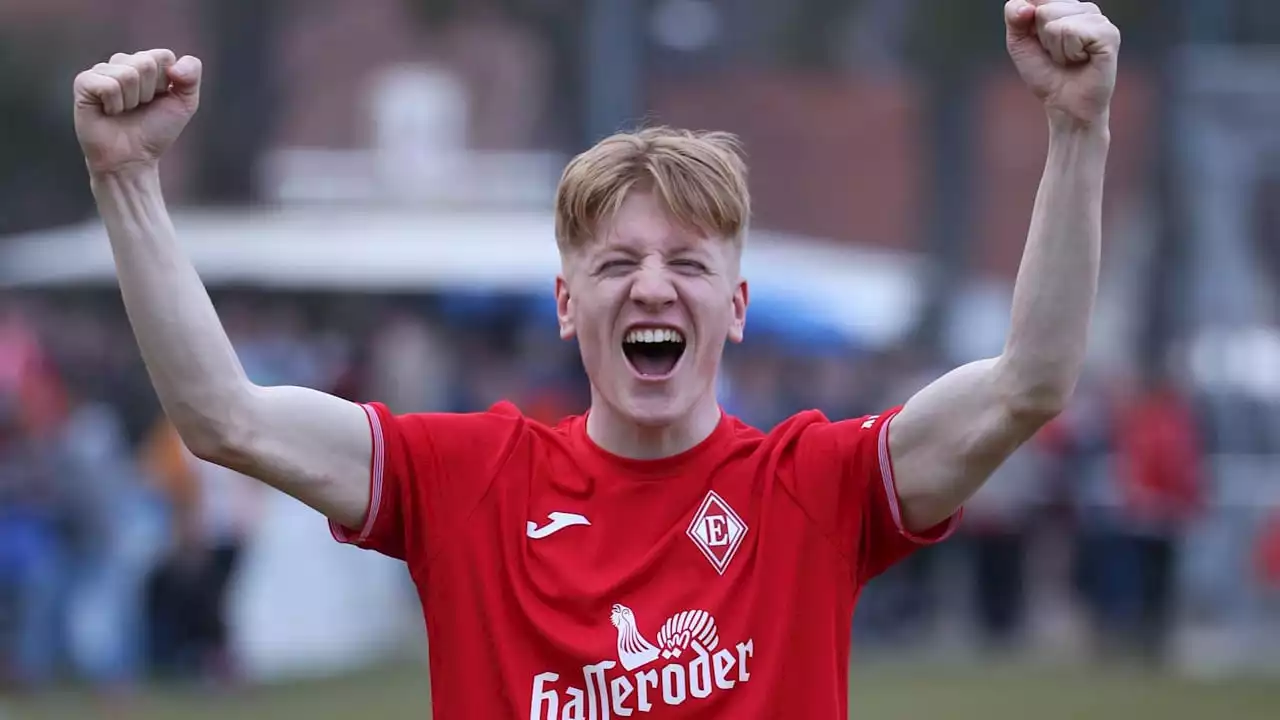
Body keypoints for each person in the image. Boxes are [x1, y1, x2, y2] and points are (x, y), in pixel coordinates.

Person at [71, 0, 1119, 716]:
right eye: (615, 263)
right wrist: (125, 180)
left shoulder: (815, 486)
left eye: (686, 264)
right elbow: (223, 416)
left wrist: (1076, 129)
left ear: (737, 306)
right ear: (568, 307)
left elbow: (1028, 381)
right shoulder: (469, 480)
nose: (651, 286)